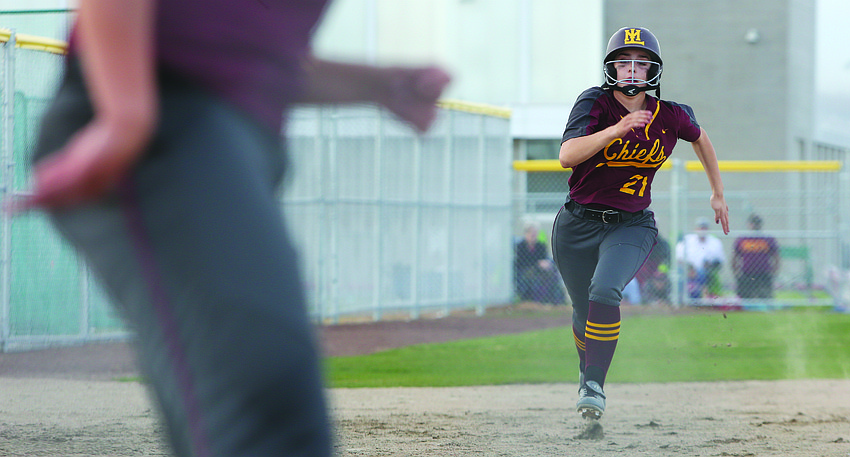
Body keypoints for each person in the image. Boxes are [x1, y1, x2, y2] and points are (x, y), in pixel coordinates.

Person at [20, 1, 450, 456]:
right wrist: (125, 116)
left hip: (231, 135)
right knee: (269, 407)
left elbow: (240, 51)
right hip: (162, 119)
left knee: (250, 416)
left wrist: (382, 84)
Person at [551, 26, 729, 421]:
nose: (632, 70)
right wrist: (616, 129)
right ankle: (588, 375)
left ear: (654, 69)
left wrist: (717, 191)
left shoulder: (671, 114)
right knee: (583, 311)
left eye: (641, 63)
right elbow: (567, 156)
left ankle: (594, 384)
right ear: (611, 67)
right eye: (624, 62)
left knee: (605, 290)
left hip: (631, 224)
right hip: (577, 224)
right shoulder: (594, 103)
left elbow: (701, 139)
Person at [676, 217, 727, 301]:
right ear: (696, 228)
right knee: (678, 274)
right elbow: (678, 258)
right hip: (687, 270)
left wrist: (710, 265)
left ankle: (703, 299)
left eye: (704, 228)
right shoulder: (688, 240)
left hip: (706, 272)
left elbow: (720, 261)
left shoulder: (715, 242)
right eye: (700, 227)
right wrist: (689, 268)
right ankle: (680, 300)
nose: (702, 230)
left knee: (702, 273)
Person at [733, 214, 779, 299]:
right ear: (749, 224)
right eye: (753, 223)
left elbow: (775, 257)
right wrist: (736, 271)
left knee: (765, 296)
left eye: (757, 223)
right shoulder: (743, 239)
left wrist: (774, 270)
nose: (754, 225)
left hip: (763, 273)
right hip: (747, 272)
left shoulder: (767, 239)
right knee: (745, 297)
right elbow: (735, 256)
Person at [515, 224, 564, 304]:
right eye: (531, 233)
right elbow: (521, 261)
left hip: (540, 270)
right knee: (534, 278)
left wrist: (546, 263)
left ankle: (556, 299)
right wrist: (537, 263)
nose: (533, 235)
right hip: (526, 269)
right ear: (526, 234)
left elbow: (544, 258)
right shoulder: (520, 246)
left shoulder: (541, 246)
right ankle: (535, 299)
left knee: (553, 275)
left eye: (535, 233)